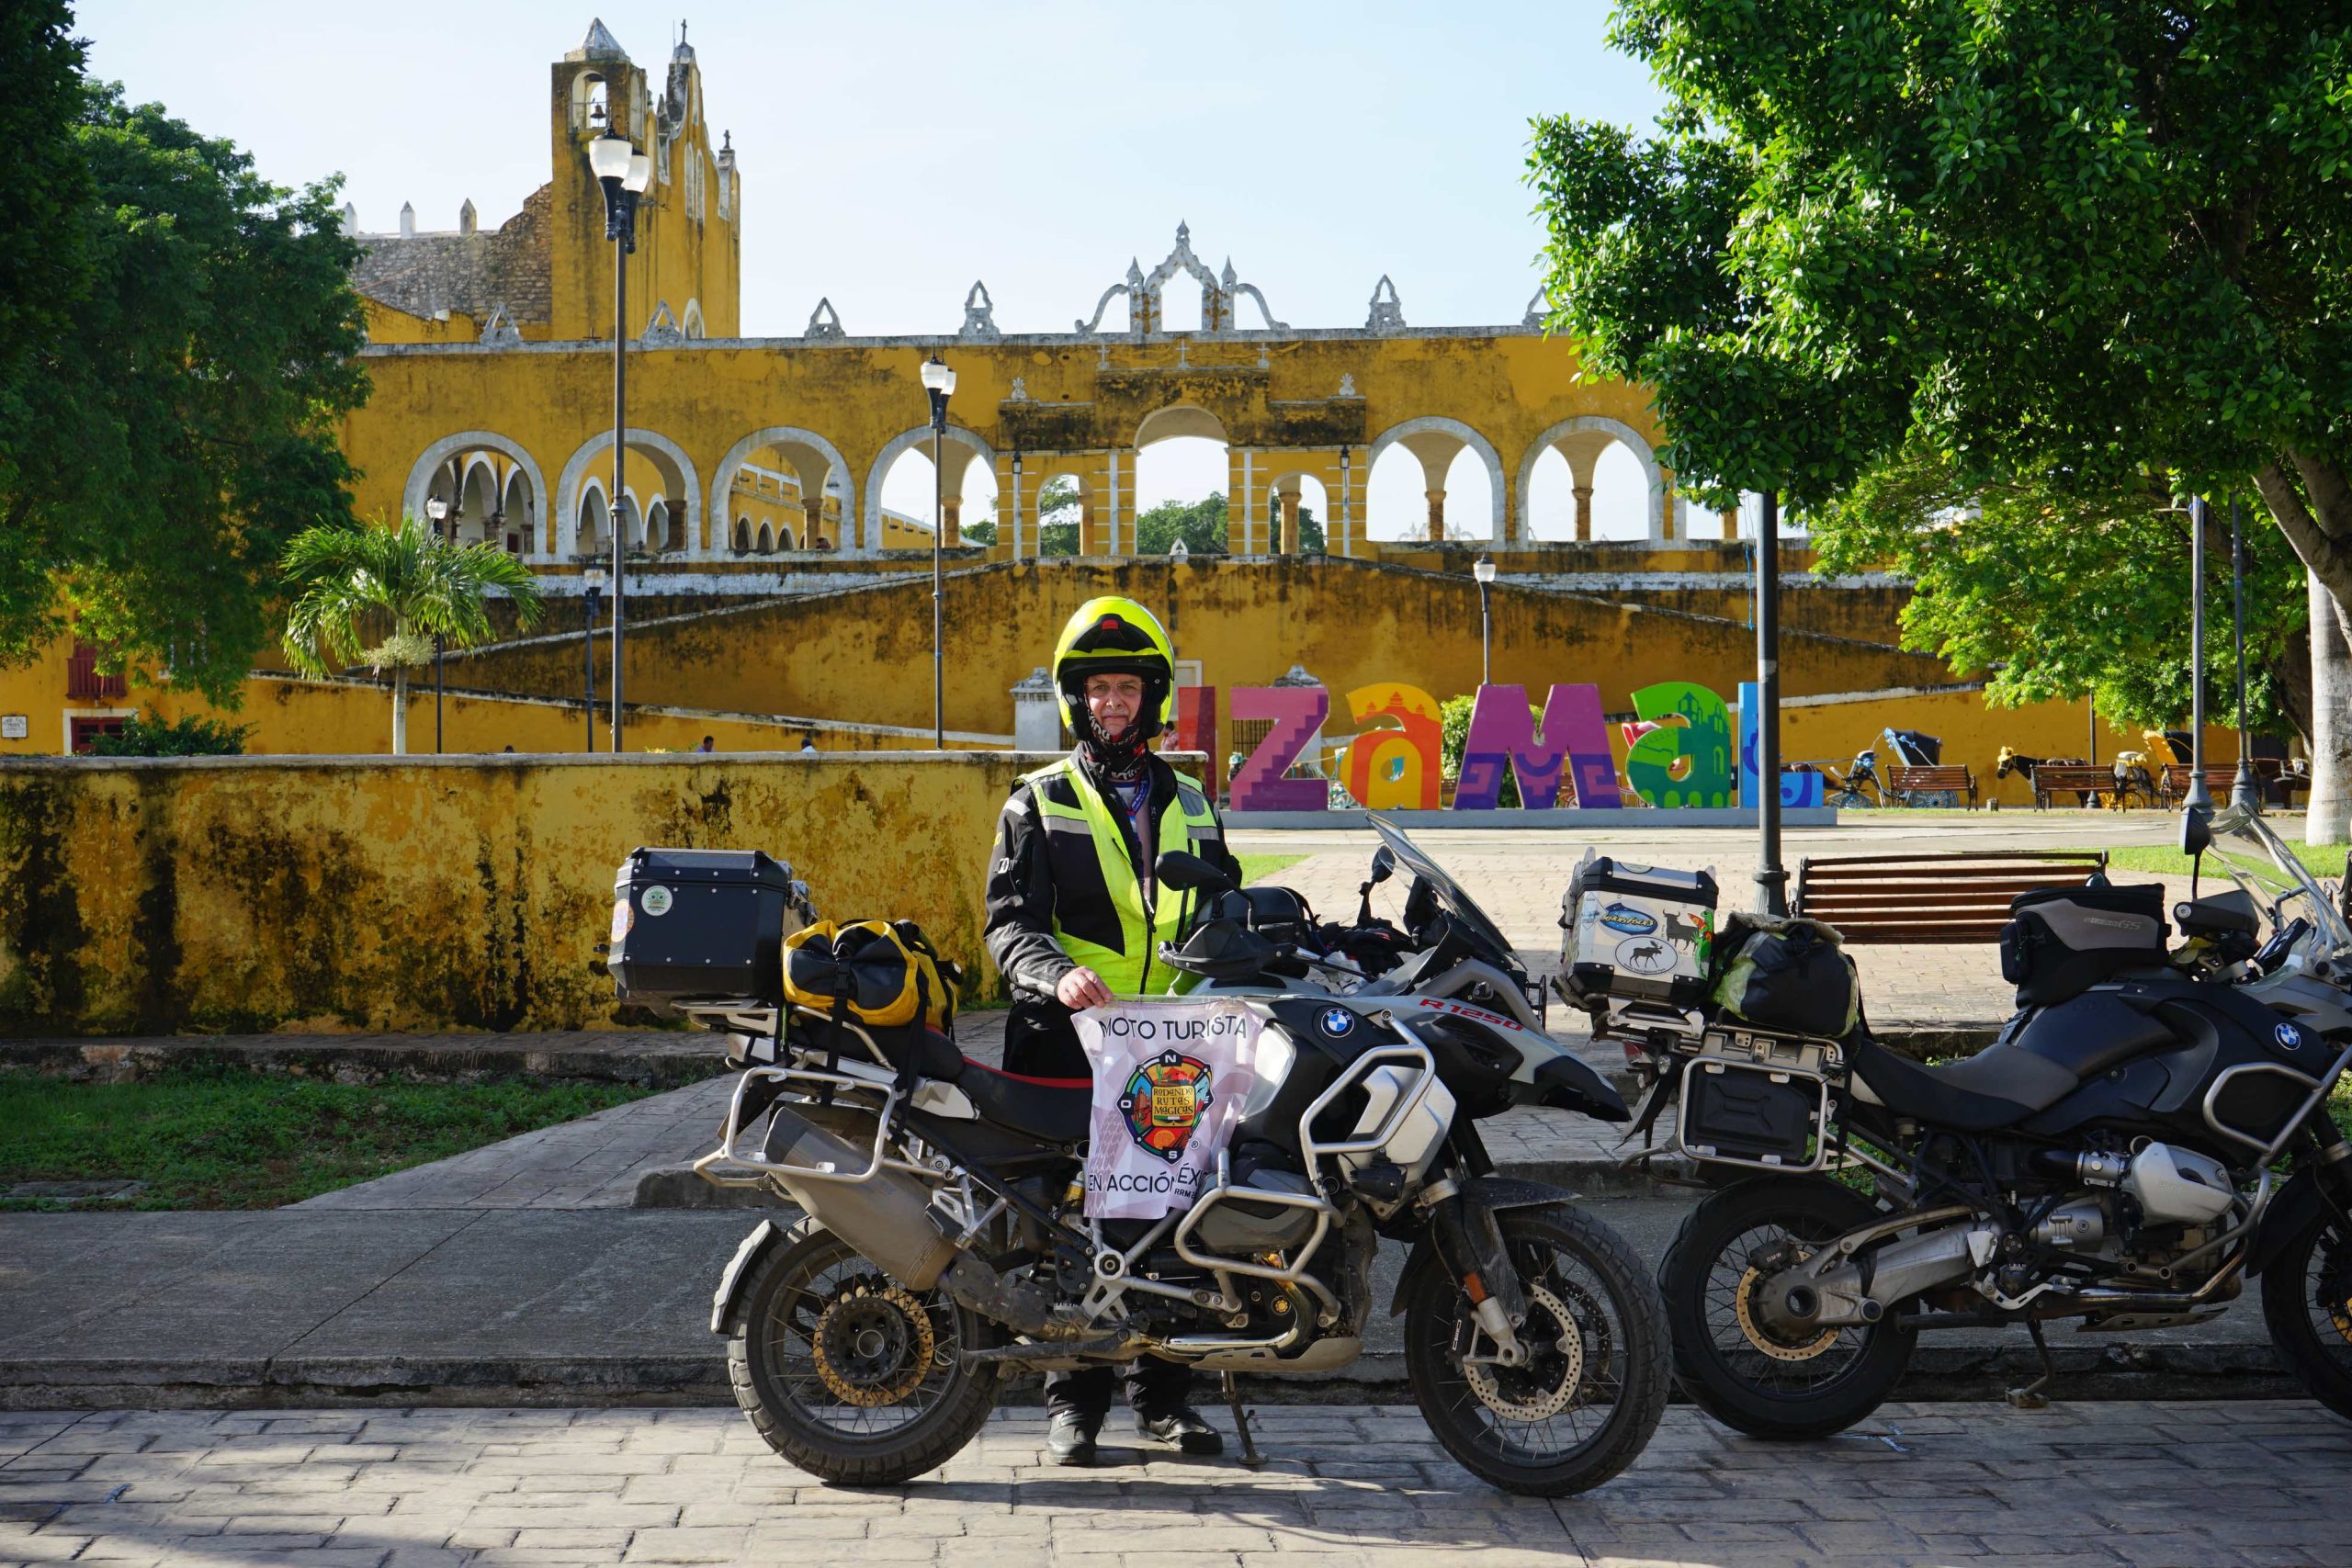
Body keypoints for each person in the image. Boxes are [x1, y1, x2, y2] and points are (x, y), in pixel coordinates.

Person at [983, 595, 1242, 1467]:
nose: (1112, 703)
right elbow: (1007, 924)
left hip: (1174, 1048)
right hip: (1067, 1048)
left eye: (1127, 687)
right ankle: (1072, 1405)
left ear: (1153, 696)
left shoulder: (1198, 806)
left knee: (1176, 1226)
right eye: (1097, 689)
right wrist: (1056, 974)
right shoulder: (1037, 801)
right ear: (1075, 699)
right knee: (1071, 1229)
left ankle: (1165, 1402)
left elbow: (1228, 913)